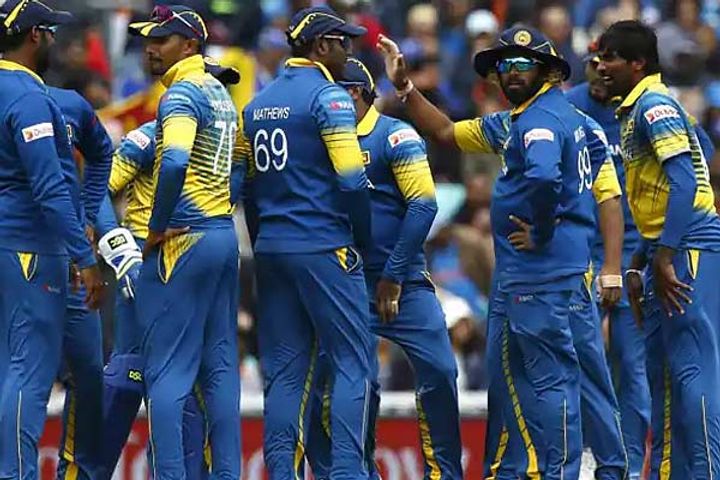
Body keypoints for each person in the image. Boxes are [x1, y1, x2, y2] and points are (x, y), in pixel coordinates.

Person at [378, 25, 608, 479]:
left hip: (541, 269)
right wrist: (404, 88)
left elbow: (545, 178)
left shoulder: (539, 122)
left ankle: (561, 472)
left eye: (523, 64)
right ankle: (520, 470)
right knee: (522, 376)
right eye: (505, 65)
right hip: (536, 269)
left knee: (550, 379)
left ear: (547, 72)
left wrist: (544, 228)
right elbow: (446, 130)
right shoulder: (517, 121)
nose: (512, 72)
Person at [305, 57, 463, 480]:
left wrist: (393, 276)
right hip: (344, 283)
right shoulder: (320, 142)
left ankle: (443, 474)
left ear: (355, 92)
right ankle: (351, 473)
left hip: (403, 282)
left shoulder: (396, 136)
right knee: (333, 383)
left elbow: (423, 205)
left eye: (331, 94)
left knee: (441, 370)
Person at [238, 6, 373, 478]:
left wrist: (265, 241)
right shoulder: (330, 98)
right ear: (321, 46)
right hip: (324, 245)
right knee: (354, 364)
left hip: (273, 247)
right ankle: (348, 473)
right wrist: (362, 240)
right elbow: (352, 179)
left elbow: (248, 190)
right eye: (344, 42)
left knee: (284, 372)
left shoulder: (256, 105)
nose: (350, 51)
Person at [96, 59, 241, 479]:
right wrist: (121, 248)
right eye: (211, 82)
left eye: (221, 85)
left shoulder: (227, 145)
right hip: (148, 267)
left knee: (190, 386)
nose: (217, 93)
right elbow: (98, 190)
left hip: (188, 259)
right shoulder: (149, 137)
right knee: (128, 380)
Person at [598, 20, 720, 478]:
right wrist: (642, 259)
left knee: (692, 368)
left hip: (688, 245)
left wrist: (664, 254)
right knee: (663, 372)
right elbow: (699, 153)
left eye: (610, 58)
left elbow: (686, 181)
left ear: (637, 63)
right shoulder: (640, 108)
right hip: (664, 248)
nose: (600, 66)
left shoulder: (653, 107)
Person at [0, 0, 104, 478]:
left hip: (15, 247)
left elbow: (97, 156)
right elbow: (48, 188)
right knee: (28, 374)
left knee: (13, 369)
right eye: (51, 32)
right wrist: (84, 255)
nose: (56, 42)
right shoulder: (29, 99)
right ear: (35, 35)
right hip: (31, 247)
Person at [567, 44, 651, 480]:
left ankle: (631, 465)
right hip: (580, 250)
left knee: (632, 364)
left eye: (607, 64)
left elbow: (698, 147)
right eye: (593, 64)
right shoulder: (569, 107)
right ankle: (585, 453)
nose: (600, 72)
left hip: (634, 253)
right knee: (579, 359)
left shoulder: (644, 107)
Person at [46, 84, 113, 480]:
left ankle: (75, 472)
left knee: (89, 371)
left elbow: (102, 153)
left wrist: (87, 216)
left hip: (72, 260)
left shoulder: (70, 104)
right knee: (25, 375)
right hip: (16, 254)